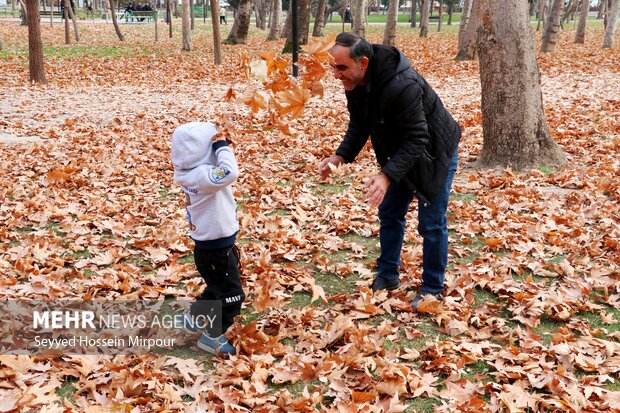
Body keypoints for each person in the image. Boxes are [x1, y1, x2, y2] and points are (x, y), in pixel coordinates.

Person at [319, 32, 461, 310]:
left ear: (363, 62)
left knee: (431, 223)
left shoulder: (401, 84)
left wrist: (386, 175)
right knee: (390, 212)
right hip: (402, 153)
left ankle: (432, 288)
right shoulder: (355, 82)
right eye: (333, 67)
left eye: (342, 67)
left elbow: (418, 138)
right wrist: (340, 156)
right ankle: (387, 276)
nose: (336, 75)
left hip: (435, 154)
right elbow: (360, 124)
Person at [171, 122, 244, 355]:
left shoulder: (190, 172)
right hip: (217, 250)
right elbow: (231, 171)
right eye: (209, 145)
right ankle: (212, 336)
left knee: (215, 288)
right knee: (231, 296)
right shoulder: (204, 177)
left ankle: (193, 319)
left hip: (210, 248)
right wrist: (222, 146)